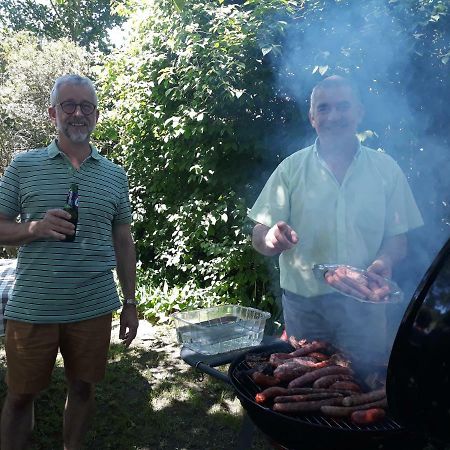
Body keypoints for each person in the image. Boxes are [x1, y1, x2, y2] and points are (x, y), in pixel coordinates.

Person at [0, 74, 139, 450]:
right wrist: (34, 228)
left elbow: (124, 241)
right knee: (19, 396)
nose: (78, 113)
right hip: (33, 307)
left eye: (86, 107)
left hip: (93, 307)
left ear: (95, 116)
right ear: (52, 113)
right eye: (69, 105)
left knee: (82, 388)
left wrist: (130, 302)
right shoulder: (23, 165)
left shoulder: (115, 175)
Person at [249, 75, 423, 364]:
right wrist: (269, 239)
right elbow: (259, 232)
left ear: (359, 112)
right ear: (312, 117)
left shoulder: (386, 170)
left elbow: (398, 239)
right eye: (324, 108)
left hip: (365, 308)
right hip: (305, 310)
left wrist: (384, 263)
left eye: (343, 106)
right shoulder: (290, 169)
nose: (334, 116)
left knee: (365, 380)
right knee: (304, 382)